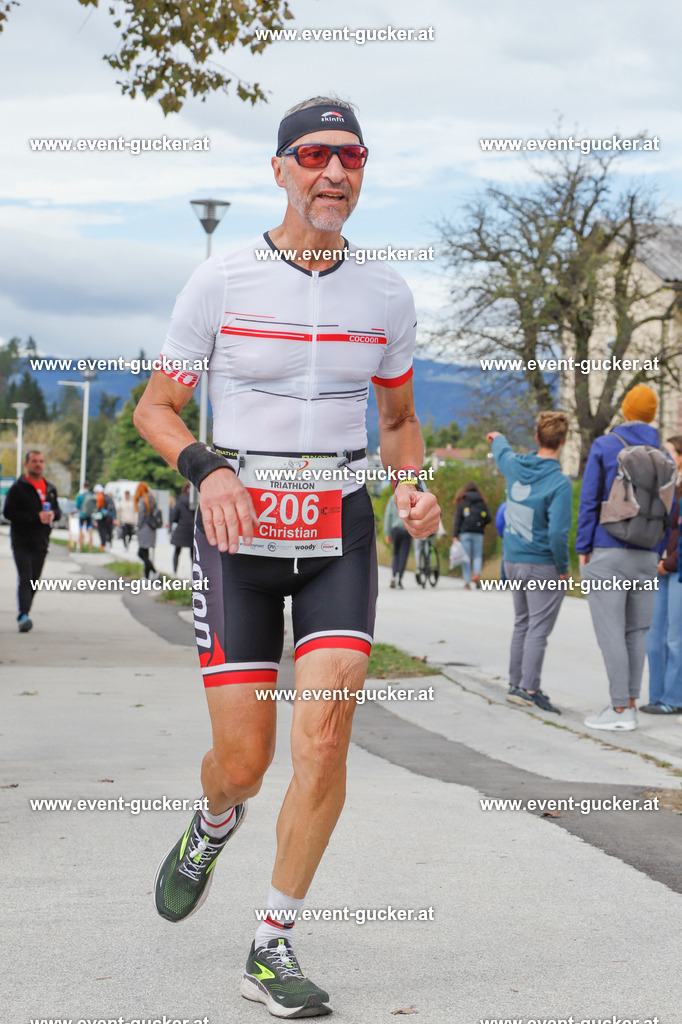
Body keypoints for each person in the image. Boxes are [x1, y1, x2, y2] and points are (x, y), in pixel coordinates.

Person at [133, 95, 439, 1019]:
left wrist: (412, 486)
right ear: (279, 169)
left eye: (351, 157)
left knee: (327, 731)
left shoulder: (386, 295)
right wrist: (204, 468)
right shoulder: (220, 281)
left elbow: (396, 422)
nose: (334, 172)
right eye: (314, 155)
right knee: (245, 762)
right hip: (237, 539)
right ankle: (212, 823)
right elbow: (156, 406)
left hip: (339, 527)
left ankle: (272, 942)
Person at [577, 385, 673, 732]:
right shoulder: (663, 455)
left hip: (607, 550)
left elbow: (589, 502)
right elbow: (669, 510)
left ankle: (619, 710)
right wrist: (656, 548)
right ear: (652, 415)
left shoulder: (605, 446)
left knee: (610, 633)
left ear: (626, 409)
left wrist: (582, 548)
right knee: (636, 631)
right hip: (647, 555)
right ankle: (630, 703)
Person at [487, 411, 572, 715]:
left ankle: (515, 684)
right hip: (542, 564)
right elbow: (558, 533)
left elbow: (502, 448)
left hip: (513, 561)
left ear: (536, 438)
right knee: (538, 627)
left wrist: (496, 435)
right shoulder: (559, 483)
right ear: (562, 442)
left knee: (522, 622)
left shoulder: (514, 465)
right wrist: (563, 568)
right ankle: (529, 688)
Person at [640, 436, 682, 714]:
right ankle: (657, 696)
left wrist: (667, 564)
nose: (662, 458)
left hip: (676, 572)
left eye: (667, 453)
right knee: (654, 637)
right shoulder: (668, 490)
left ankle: (674, 699)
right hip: (659, 569)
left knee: (675, 639)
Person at [2, 449, 61, 632]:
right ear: (27, 464)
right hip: (21, 541)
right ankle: (23, 615)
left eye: (41, 461)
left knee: (34, 579)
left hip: (41, 542)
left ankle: (25, 611)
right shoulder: (18, 487)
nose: (38, 464)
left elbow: (58, 512)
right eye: (34, 461)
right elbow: (8, 513)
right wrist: (35, 516)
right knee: (25, 577)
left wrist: (52, 514)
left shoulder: (50, 488)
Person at [452, 481, 491, 589]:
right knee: (477, 555)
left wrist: (455, 535)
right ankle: (476, 574)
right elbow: (489, 518)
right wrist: (482, 524)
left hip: (465, 533)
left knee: (466, 557)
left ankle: (467, 582)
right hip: (478, 533)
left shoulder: (462, 502)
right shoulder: (482, 502)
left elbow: (458, 520)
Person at [384, 490, 412, 588]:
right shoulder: (411, 496)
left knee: (396, 553)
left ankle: (393, 576)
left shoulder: (393, 498)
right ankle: (400, 578)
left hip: (395, 530)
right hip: (407, 529)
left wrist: (387, 533)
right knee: (404, 554)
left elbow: (388, 515)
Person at [134, 481, 159, 579]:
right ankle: (146, 576)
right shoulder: (152, 498)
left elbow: (141, 516)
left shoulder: (142, 500)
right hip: (151, 528)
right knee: (146, 553)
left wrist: (138, 527)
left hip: (144, 528)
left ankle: (155, 573)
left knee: (140, 553)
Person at [169, 481, 194, 573]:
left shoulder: (179, 501)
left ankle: (174, 571)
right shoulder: (195, 503)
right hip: (191, 530)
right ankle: (194, 574)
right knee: (193, 554)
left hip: (181, 530)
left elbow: (174, 516)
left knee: (177, 552)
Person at [75, 480, 96, 551]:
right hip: (89, 515)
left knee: (80, 531)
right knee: (90, 532)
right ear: (89, 487)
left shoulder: (80, 496)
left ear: (83, 487)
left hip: (82, 515)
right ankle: (90, 548)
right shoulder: (92, 495)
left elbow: (77, 506)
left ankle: (79, 548)